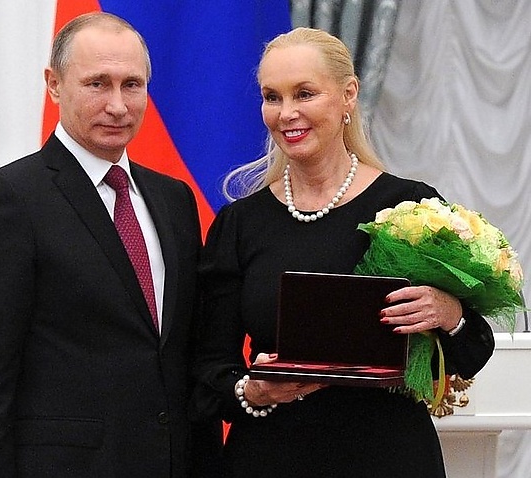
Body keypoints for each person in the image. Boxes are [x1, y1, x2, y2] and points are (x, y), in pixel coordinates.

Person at [191, 27, 495, 478]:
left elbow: (473, 351)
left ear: (348, 94)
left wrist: (448, 312)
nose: (286, 113)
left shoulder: (412, 209)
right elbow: (207, 369)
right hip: (271, 458)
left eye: (304, 93)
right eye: (272, 97)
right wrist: (252, 391)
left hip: (389, 457)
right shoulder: (239, 224)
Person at [0, 12, 220, 478]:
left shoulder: (174, 200)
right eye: (97, 84)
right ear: (54, 85)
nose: (118, 105)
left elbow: (181, 356)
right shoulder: (9, 199)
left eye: (132, 85)